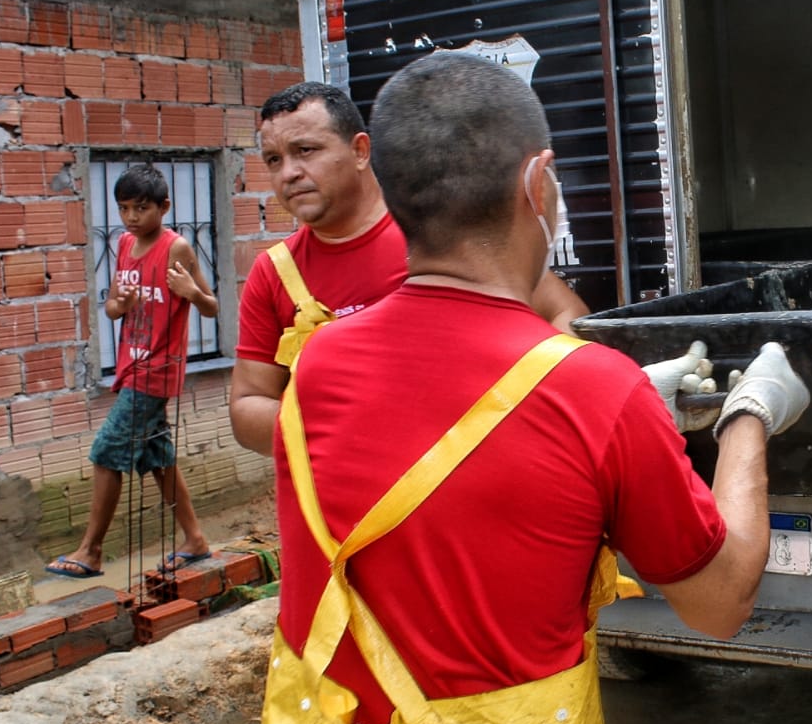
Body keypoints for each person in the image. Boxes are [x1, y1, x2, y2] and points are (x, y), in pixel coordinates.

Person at [229, 51, 811, 724]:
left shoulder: (318, 368)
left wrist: (611, 413)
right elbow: (721, 600)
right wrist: (746, 418)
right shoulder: (595, 393)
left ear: (382, 174)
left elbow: (439, 433)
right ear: (538, 183)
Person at [229, 81, 590, 455]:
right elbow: (248, 405)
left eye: (305, 151)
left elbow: (567, 314)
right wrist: (345, 431)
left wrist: (509, 413)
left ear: (360, 151)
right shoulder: (274, 273)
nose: (288, 173)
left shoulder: (435, 231)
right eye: (274, 160)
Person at [46, 165, 219, 579]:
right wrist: (119, 305)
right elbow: (110, 308)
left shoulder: (175, 247)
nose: (131, 218)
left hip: (156, 370)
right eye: (124, 208)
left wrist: (191, 293)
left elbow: (211, 306)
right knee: (159, 458)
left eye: (140, 208)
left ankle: (91, 551)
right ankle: (194, 539)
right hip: (131, 364)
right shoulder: (123, 244)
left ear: (164, 207)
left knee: (106, 452)